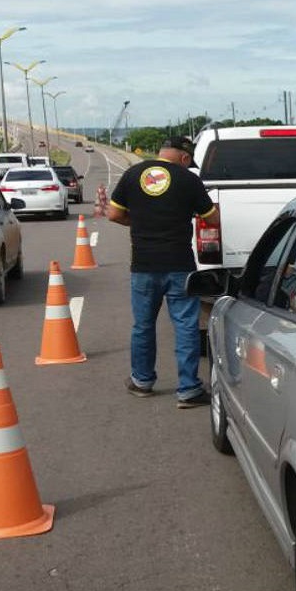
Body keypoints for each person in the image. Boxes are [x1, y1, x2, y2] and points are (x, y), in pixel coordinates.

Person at [108, 137, 217, 408]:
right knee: (186, 326)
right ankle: (189, 390)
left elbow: (113, 214)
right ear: (184, 158)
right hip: (180, 264)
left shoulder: (133, 174)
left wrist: (141, 221)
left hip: (144, 266)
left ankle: (142, 382)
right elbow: (212, 217)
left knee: (143, 326)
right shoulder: (188, 179)